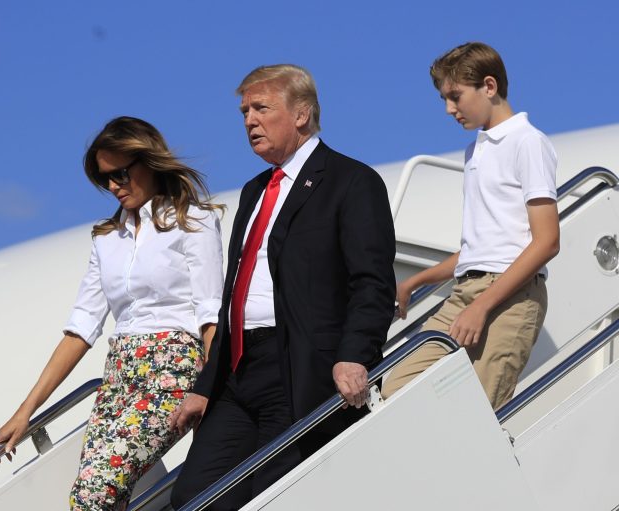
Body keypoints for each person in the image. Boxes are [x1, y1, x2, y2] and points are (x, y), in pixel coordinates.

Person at [169, 64, 396, 510]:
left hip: (299, 366)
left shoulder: (351, 181)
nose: (249, 120)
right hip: (238, 371)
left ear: (301, 114)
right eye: (244, 112)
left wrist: (355, 354)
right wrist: (205, 384)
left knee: (274, 495)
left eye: (261, 108)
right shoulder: (254, 191)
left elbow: (371, 283)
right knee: (195, 497)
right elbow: (234, 297)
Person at [0, 116, 224, 510]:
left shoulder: (192, 221)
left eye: (120, 174)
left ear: (148, 162)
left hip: (173, 368)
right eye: (105, 179)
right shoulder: (105, 239)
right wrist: (24, 413)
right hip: (120, 377)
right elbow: (80, 329)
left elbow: (210, 313)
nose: (113, 186)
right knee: (106, 498)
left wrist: (210, 387)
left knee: (92, 493)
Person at [381, 42, 560, 410]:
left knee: (480, 414)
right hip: (465, 291)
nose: (449, 109)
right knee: (395, 388)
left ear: (489, 87)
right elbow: (480, 247)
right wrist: (415, 280)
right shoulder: (475, 151)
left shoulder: (527, 142)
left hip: (511, 297)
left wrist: (482, 306)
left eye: (455, 96)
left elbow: (547, 242)